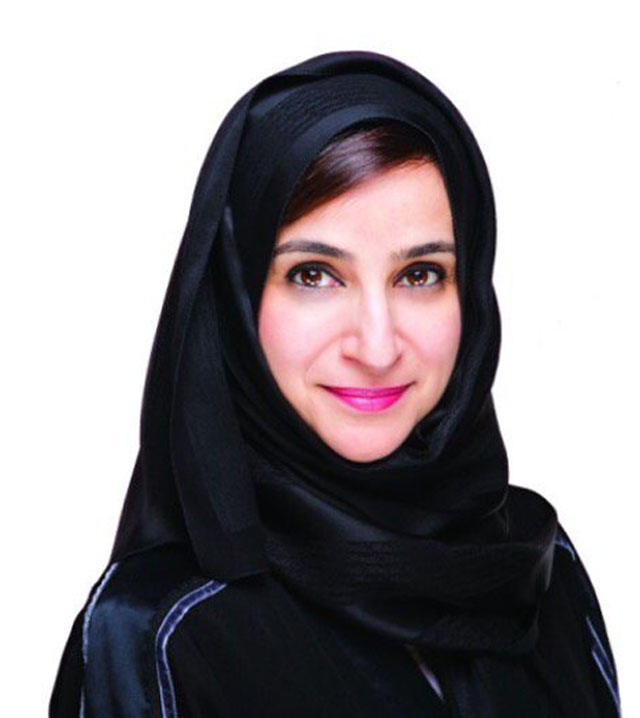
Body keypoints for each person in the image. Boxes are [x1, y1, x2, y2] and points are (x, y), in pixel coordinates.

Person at [49, 50, 622, 718]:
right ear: (235, 300)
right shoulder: (161, 632)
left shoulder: (538, 567)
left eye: (420, 275)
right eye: (314, 275)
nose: (376, 347)